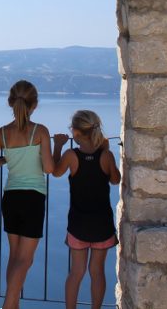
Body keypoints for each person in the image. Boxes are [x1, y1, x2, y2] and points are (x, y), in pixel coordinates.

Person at [0, 80, 54, 309]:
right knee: (26, 259)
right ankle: (9, 303)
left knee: (14, 256)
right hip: (33, 197)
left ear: (11, 103)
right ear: (35, 105)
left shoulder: (2, 133)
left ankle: (12, 305)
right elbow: (49, 168)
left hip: (11, 197)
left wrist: (6, 159)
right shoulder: (40, 131)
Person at [53, 110, 121, 309]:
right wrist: (107, 151)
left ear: (75, 133)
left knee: (76, 272)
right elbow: (115, 180)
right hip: (102, 225)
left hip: (78, 224)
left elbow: (56, 172)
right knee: (97, 272)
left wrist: (57, 146)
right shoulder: (106, 155)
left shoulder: (70, 156)